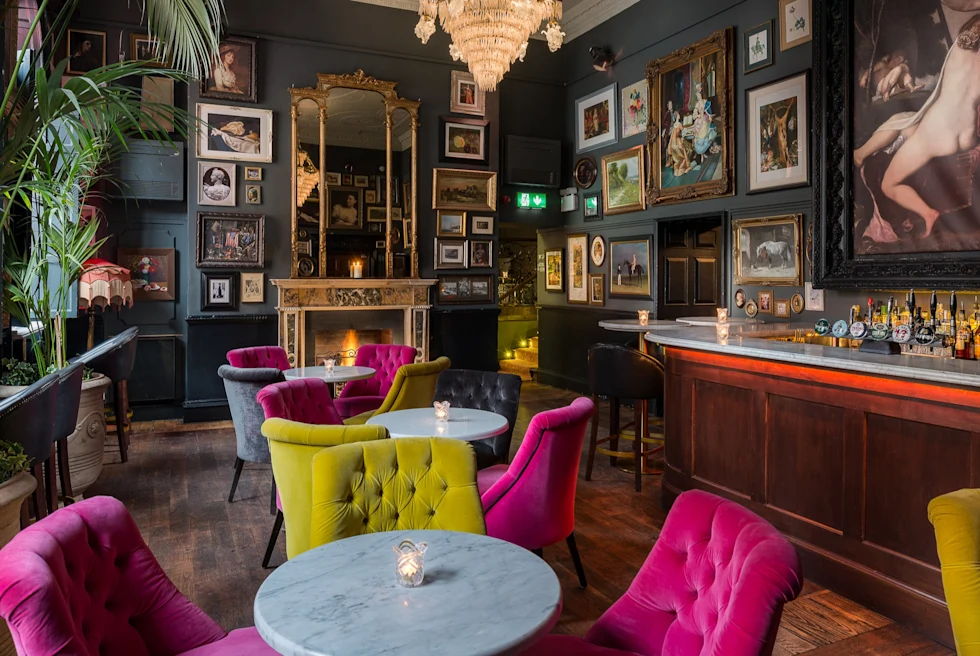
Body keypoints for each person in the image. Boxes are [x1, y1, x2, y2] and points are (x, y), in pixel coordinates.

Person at [854, 15, 980, 239]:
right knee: (904, 119)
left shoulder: (960, 51)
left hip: (940, 132)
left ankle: (928, 214)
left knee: (889, 184)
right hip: (966, 131)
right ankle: (860, 153)